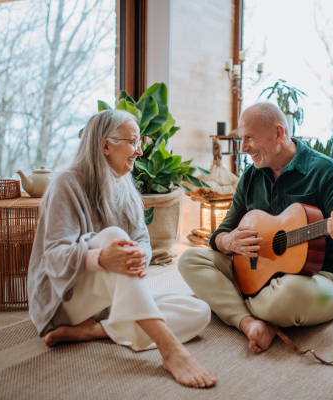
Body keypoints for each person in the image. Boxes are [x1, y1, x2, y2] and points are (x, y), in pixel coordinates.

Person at [28, 110, 216, 388]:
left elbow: (142, 240)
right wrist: (101, 258)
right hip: (64, 297)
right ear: (106, 146)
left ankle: (94, 331)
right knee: (114, 236)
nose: (139, 151)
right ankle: (171, 351)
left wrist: (140, 255)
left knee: (199, 311)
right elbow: (54, 256)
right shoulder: (66, 183)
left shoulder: (126, 188)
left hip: (108, 304)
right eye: (132, 142)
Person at [178, 102, 333, 354]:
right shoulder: (250, 176)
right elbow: (220, 234)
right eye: (241, 139)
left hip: (318, 281)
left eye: (250, 138)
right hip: (257, 273)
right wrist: (229, 242)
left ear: (278, 133)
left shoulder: (328, 173)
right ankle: (249, 321)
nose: (244, 147)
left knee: (288, 293)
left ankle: (227, 303)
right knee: (190, 259)